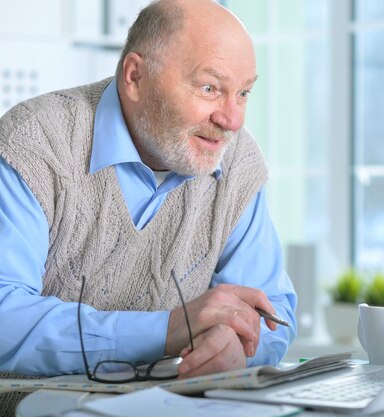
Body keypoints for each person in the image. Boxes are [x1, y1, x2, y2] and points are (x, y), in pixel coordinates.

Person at [0, 0, 297, 413]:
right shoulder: (34, 142)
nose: (232, 119)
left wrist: (239, 346)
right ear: (135, 76)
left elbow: (274, 309)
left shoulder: (237, 162)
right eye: (209, 88)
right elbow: (3, 316)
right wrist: (168, 328)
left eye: (243, 93)